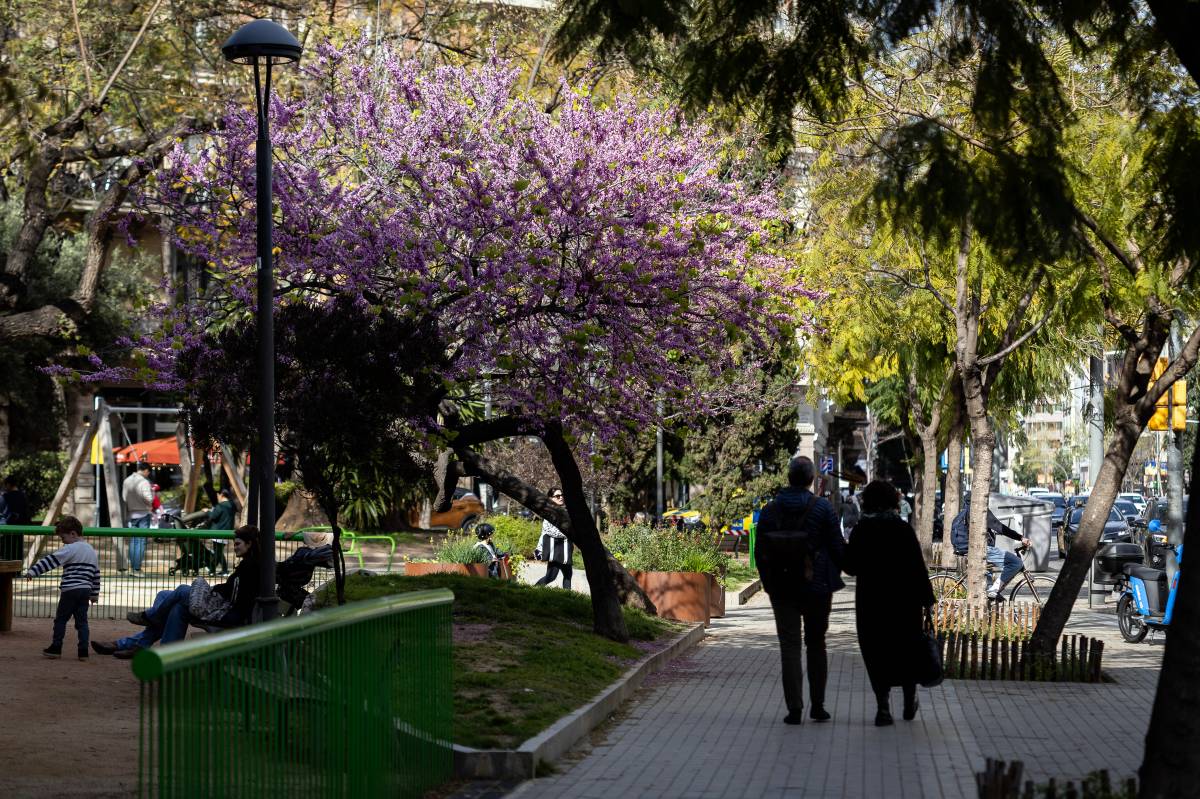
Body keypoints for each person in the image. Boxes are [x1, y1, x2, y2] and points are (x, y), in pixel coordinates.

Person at [755, 455, 845, 725]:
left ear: (789, 478)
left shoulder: (770, 510)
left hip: (782, 588)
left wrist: (769, 584)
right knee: (816, 643)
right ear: (811, 479)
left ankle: (794, 708)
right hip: (817, 587)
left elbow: (760, 552)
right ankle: (818, 706)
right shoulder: (823, 508)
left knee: (789, 646)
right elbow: (838, 549)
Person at [92, 524, 263, 659]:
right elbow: (229, 589)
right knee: (166, 597)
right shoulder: (247, 564)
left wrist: (212, 593)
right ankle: (150, 644)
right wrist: (212, 590)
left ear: (249, 544)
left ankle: (147, 621)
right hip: (221, 604)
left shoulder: (252, 566)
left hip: (226, 612)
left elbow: (236, 598)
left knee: (180, 593)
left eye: (238, 544)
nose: (234, 547)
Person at [843, 481, 936, 726]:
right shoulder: (902, 529)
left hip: (871, 604)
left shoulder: (862, 530)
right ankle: (908, 700)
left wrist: (841, 549)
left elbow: (850, 567)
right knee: (906, 651)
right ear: (893, 501)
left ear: (868, 501)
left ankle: (883, 708)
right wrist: (927, 600)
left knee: (876, 653)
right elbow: (918, 568)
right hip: (904, 604)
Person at [24, 516, 100, 660]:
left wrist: (33, 571)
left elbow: (51, 561)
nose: (62, 541)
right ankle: (83, 651)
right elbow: (96, 574)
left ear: (73, 534)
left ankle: (56, 647)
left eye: (63, 538)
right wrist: (94, 594)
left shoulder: (70, 548)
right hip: (85, 590)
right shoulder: (91, 551)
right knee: (82, 622)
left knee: (61, 620)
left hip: (70, 590)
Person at [950, 493, 1031, 599]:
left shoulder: (964, 513)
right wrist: (1020, 537)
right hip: (979, 549)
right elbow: (999, 527)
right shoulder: (980, 511)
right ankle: (993, 590)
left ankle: (989, 594)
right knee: (1016, 563)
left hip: (966, 548)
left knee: (987, 574)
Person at [535, 489, 573, 589]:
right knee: (551, 576)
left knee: (568, 575)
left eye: (562, 495)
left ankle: (568, 596)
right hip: (555, 548)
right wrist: (569, 534)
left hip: (565, 548)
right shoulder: (549, 512)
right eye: (557, 496)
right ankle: (533, 589)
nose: (561, 497)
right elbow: (549, 531)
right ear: (551, 498)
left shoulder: (566, 511)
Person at [121, 462, 154, 576]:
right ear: (146, 471)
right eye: (148, 472)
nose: (148, 474)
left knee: (133, 541)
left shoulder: (127, 480)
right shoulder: (144, 482)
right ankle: (137, 568)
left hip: (132, 514)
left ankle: (132, 568)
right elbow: (148, 498)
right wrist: (150, 503)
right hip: (143, 513)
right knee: (141, 541)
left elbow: (124, 497)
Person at [206, 488, 238, 575]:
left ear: (221, 495)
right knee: (218, 552)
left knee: (218, 552)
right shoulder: (232, 505)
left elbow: (213, 516)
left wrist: (207, 512)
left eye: (218, 495)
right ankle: (213, 569)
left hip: (218, 531)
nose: (217, 497)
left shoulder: (221, 506)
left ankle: (222, 570)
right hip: (226, 531)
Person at [0, 474, 31, 560]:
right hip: (19, 531)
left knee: (6, 556)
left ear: (8, 484)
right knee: (17, 555)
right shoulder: (23, 497)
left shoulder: (5, 497)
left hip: (6, 531)